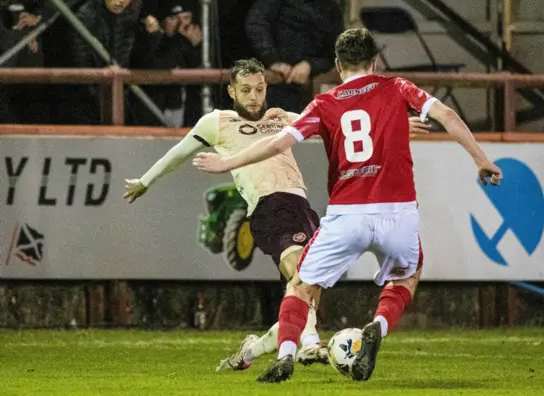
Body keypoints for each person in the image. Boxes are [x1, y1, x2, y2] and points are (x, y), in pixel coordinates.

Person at [191, 28, 503, 383]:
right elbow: (445, 113)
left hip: (347, 215)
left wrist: (227, 163)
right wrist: (480, 159)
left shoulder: (325, 103)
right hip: (397, 213)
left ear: (337, 65)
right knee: (407, 276)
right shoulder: (398, 87)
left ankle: (287, 355)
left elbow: (278, 143)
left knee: (300, 286)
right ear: (375, 61)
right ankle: (377, 327)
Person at [123, 57, 431, 372]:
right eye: (246, 90)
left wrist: (395, 123)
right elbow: (178, 153)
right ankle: (311, 344)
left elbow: (334, 122)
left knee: (302, 297)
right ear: (231, 92)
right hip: (269, 207)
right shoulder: (217, 122)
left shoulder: (280, 116)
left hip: (303, 208)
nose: (254, 96)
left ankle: (250, 352)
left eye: (259, 89)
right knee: (301, 274)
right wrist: (145, 181)